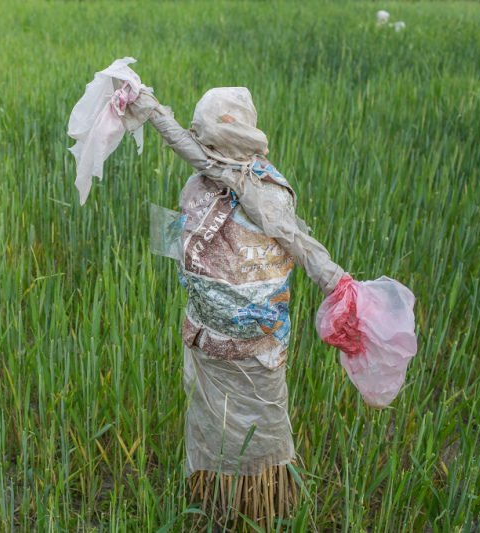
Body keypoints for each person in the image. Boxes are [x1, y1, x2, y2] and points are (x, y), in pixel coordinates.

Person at [126, 87, 347, 529]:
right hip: (208, 337)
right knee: (212, 420)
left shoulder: (264, 192)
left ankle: (260, 507)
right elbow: (183, 223)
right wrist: (147, 107)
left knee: (258, 425)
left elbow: (299, 245)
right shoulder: (200, 185)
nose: (203, 149)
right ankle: (212, 497)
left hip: (254, 347)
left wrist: (337, 283)